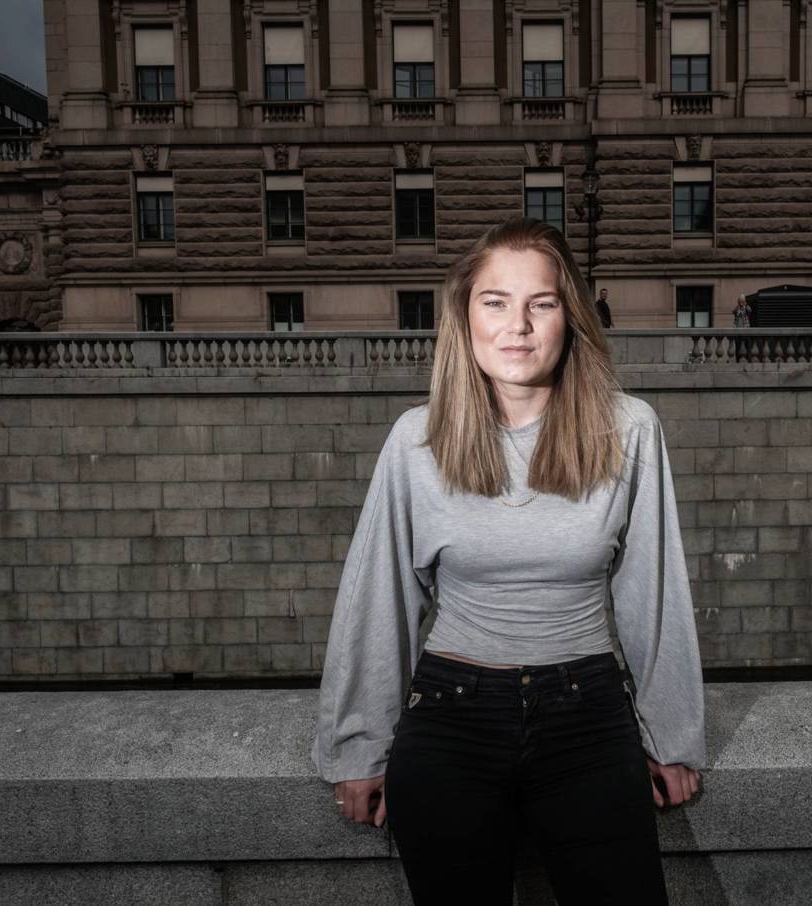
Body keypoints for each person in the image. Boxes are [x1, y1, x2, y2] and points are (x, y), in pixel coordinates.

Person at [311, 217, 705, 906]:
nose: (517, 326)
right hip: (451, 719)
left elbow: (655, 593)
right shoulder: (416, 440)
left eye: (540, 304)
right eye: (495, 302)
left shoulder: (628, 429)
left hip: (588, 716)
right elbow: (379, 600)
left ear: (570, 317)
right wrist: (359, 748)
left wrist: (671, 738)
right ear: (465, 317)